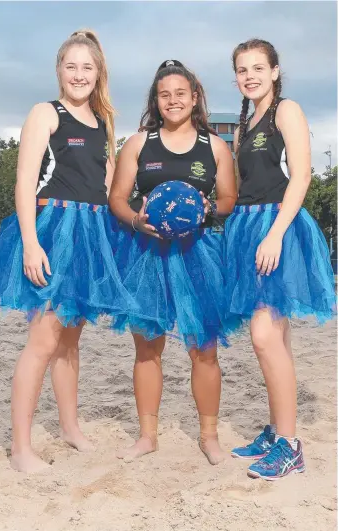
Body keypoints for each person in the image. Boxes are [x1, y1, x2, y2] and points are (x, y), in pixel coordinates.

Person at [0, 29, 133, 473]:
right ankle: (21, 448)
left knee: (70, 339)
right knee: (43, 341)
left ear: (98, 72)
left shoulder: (102, 123)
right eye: (71, 66)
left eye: (88, 67)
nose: (79, 74)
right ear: (59, 70)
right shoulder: (46, 113)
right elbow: (25, 180)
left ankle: (69, 427)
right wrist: (31, 242)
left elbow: (106, 188)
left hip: (90, 233)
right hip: (52, 229)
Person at [109, 59, 238, 464]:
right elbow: (116, 198)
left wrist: (207, 209)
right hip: (147, 254)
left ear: (195, 97)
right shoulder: (138, 144)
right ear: (156, 100)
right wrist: (135, 219)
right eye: (165, 94)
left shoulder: (214, 145)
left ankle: (209, 436)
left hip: (199, 255)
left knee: (204, 348)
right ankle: (148, 436)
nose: (173, 100)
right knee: (148, 348)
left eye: (181, 93)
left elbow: (230, 200)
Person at [224, 39, 336, 480]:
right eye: (241, 69)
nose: (249, 75)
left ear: (274, 71)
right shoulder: (243, 123)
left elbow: (302, 174)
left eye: (257, 67)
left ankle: (290, 447)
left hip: (278, 229)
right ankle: (277, 430)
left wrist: (274, 235)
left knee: (264, 336)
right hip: (247, 230)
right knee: (278, 341)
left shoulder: (286, 111)